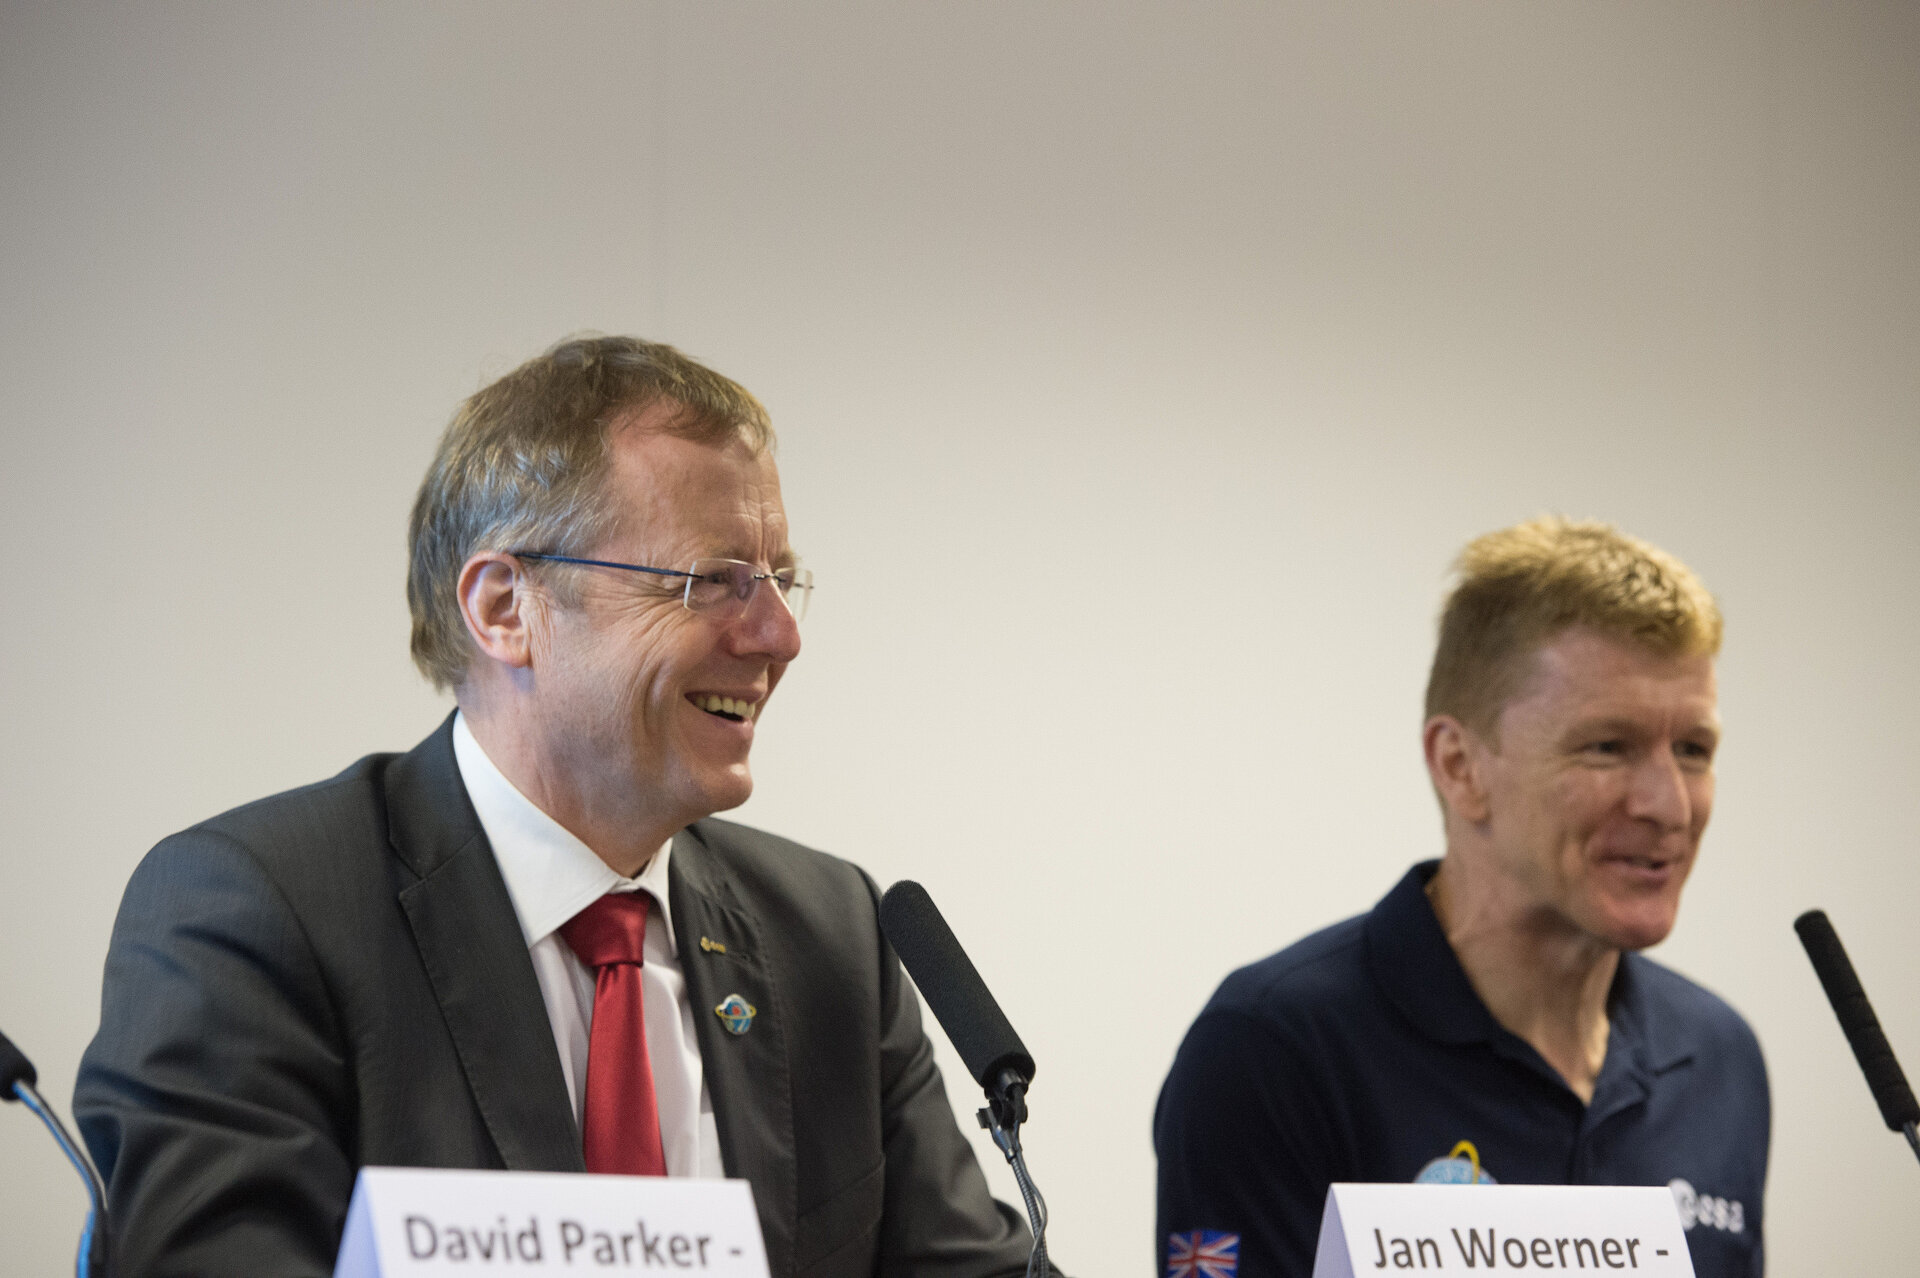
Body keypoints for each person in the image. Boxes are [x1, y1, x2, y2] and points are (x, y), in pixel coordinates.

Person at [74, 336, 1035, 1278]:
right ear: (504, 609)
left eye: (783, 580)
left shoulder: (830, 937)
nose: (778, 635)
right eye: (714, 581)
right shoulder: (256, 916)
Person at [1155, 517, 1767, 1278]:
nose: (1668, 805)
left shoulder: (1717, 1057)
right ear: (1460, 766)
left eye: (1693, 750)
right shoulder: (1275, 1049)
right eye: (1607, 746)